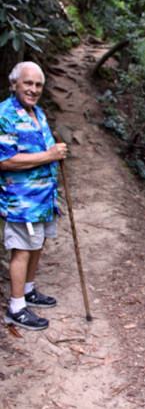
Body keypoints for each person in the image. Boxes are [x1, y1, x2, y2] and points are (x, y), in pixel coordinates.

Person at [0, 61, 67, 331]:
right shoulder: (5, 114)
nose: (34, 89)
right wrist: (49, 155)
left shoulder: (36, 112)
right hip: (21, 201)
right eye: (28, 83)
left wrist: (55, 155)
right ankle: (16, 308)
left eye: (38, 85)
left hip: (43, 199)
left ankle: (27, 291)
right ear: (14, 83)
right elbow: (5, 161)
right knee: (22, 251)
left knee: (36, 245)